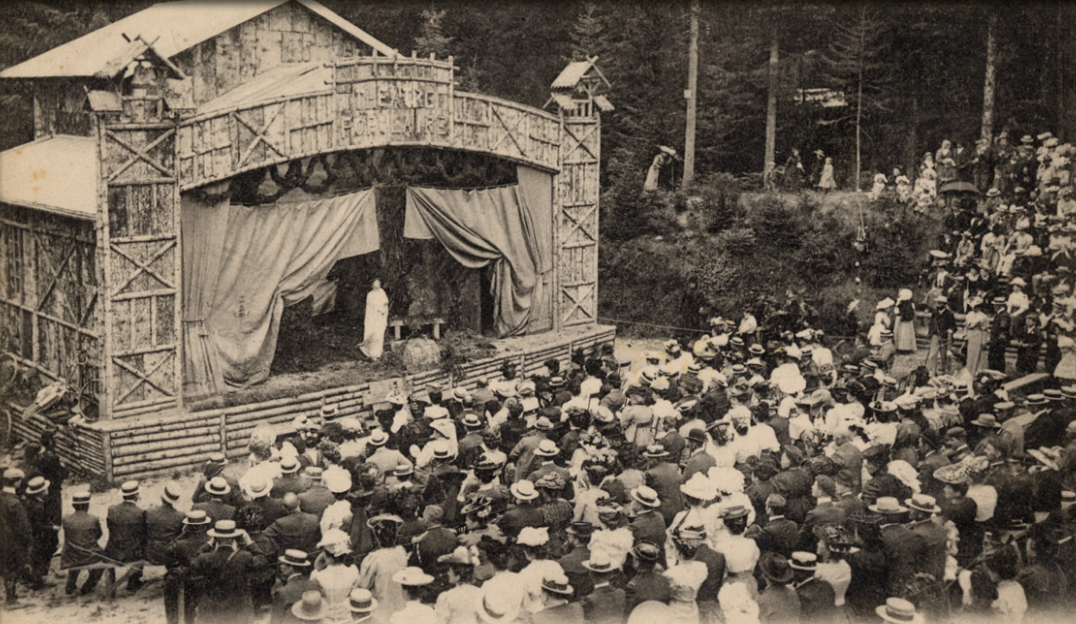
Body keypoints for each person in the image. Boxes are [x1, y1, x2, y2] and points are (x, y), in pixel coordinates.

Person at [103, 480, 148, 595]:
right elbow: (143, 534)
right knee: (142, 546)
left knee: (109, 546)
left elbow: (110, 528)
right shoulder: (141, 513)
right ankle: (133, 581)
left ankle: (111, 582)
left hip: (113, 552)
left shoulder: (112, 510)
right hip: (132, 554)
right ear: (137, 495)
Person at [360, 279, 389, 361]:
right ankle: (372, 355)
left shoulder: (382, 292)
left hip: (381, 317)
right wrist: (380, 310)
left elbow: (385, 302)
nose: (378, 284)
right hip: (373, 317)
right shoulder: (370, 295)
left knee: (380, 335)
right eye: (375, 283)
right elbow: (372, 307)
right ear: (372, 284)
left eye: (378, 282)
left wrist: (383, 310)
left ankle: (379, 353)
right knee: (373, 334)